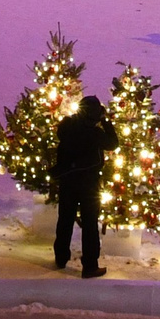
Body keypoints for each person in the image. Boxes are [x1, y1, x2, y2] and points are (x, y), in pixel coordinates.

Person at [52, 92, 119, 278]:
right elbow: (113, 143)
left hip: (68, 180)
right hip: (89, 183)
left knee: (65, 219)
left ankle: (61, 257)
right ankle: (89, 265)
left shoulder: (67, 127)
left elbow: (62, 133)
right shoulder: (96, 134)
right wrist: (105, 121)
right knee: (90, 224)